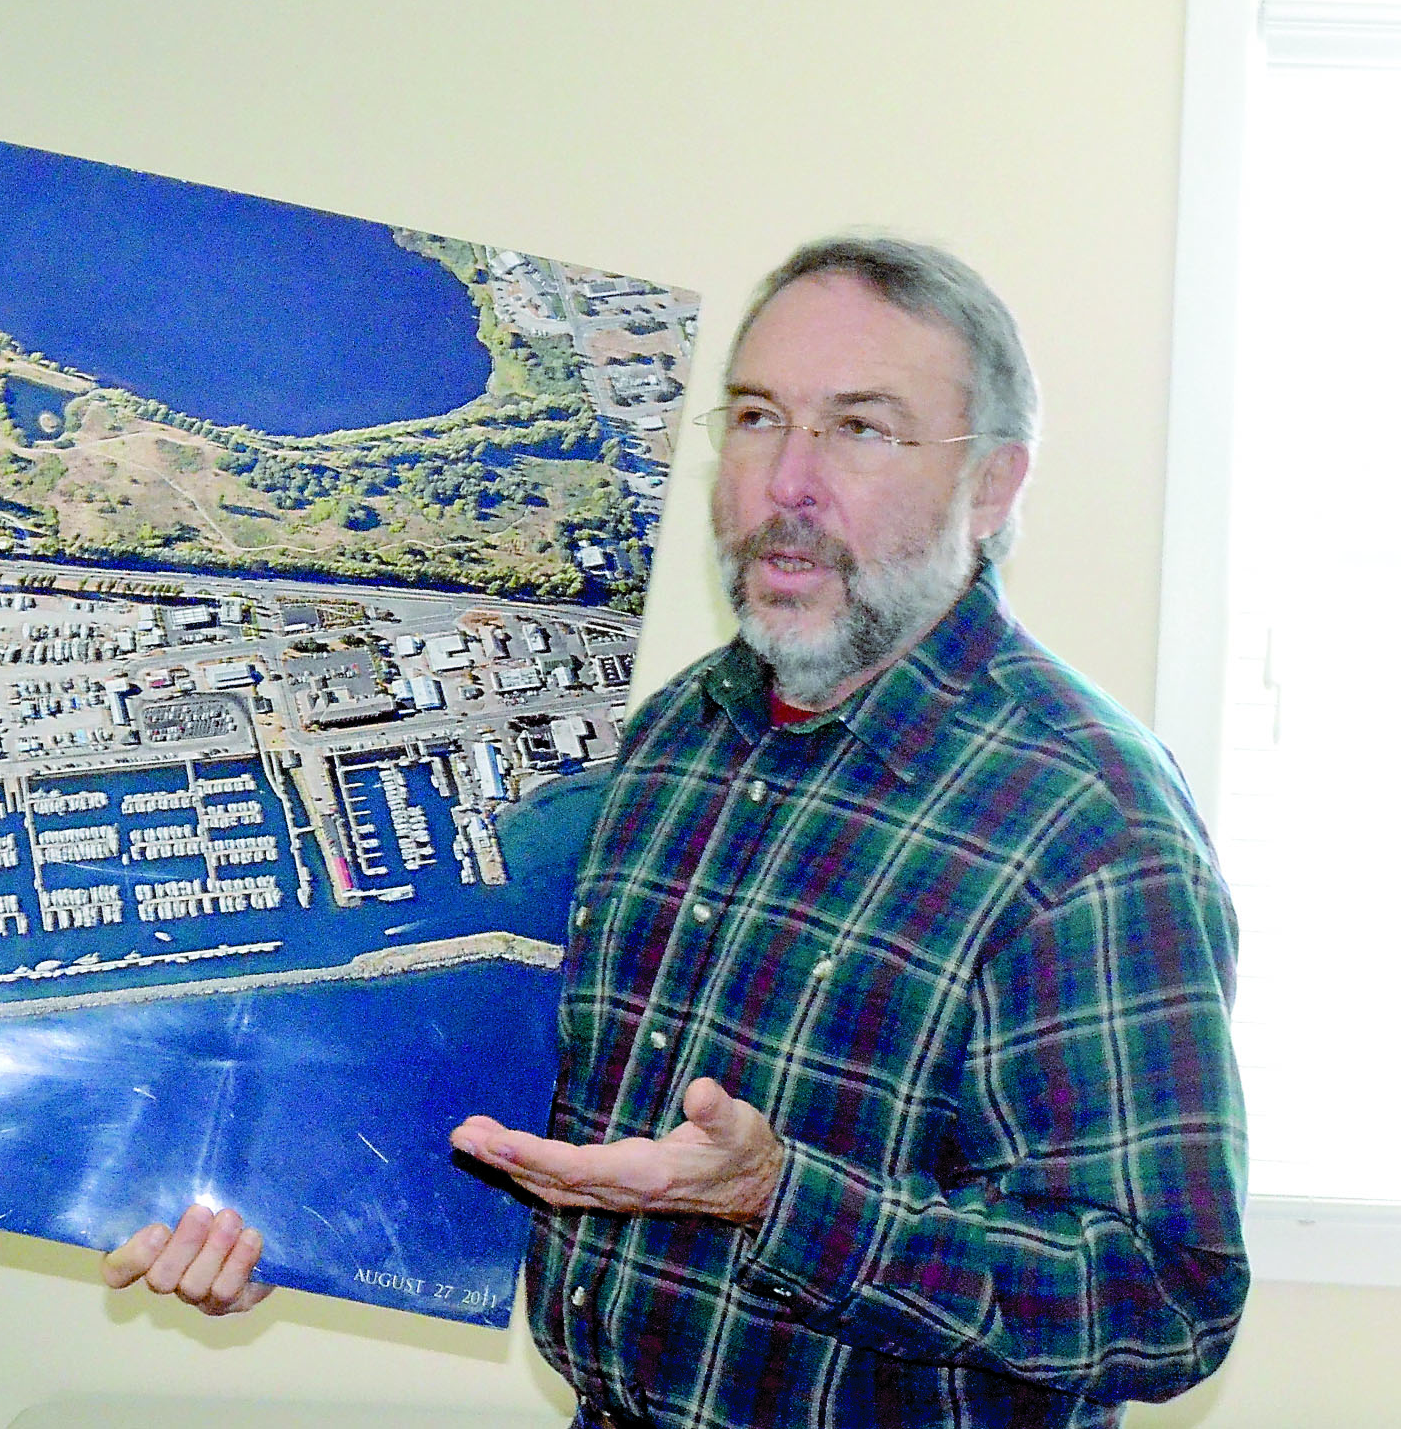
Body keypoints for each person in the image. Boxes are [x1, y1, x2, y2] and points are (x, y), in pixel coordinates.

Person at [104, 236, 1249, 1428]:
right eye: (756, 417)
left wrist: (775, 1197)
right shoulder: (673, 739)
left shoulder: (1087, 823)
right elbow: (564, 1147)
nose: (786, 482)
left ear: (994, 483)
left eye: (859, 429)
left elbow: (1165, 1299)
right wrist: (275, 1218)